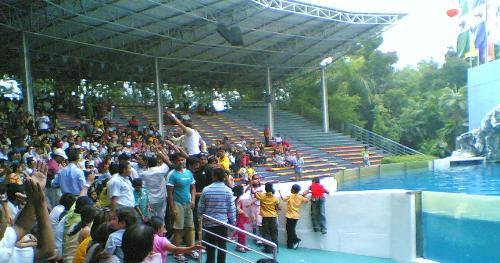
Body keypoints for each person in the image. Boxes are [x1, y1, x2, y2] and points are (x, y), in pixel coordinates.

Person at [198, 168, 236, 263]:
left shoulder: (206, 190)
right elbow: (231, 208)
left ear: (213, 176)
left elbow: (200, 207)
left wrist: (200, 218)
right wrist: (232, 222)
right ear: (224, 177)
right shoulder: (228, 191)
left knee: (210, 247)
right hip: (222, 223)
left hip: (208, 223)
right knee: (222, 246)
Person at [167, 153, 198, 261]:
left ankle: (191, 250)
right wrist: (173, 208)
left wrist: (193, 200)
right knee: (179, 230)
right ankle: (177, 253)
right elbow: (169, 193)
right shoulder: (172, 175)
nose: (181, 162)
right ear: (174, 162)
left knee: (190, 228)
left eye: (182, 160)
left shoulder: (189, 173)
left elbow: (193, 188)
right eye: (179, 160)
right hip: (177, 204)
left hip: (188, 204)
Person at [279, 184, 308, 249]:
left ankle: (295, 240)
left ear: (293, 190)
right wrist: (302, 195)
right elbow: (306, 200)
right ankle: (290, 244)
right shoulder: (300, 197)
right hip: (296, 216)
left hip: (289, 215)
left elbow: (283, 199)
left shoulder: (290, 196)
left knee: (289, 230)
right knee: (291, 230)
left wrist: (280, 193)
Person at [255, 182, 279, 254]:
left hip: (265, 218)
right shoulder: (275, 198)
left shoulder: (262, 196)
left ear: (265, 189)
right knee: (274, 234)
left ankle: (268, 249)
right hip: (273, 217)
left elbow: (255, 194)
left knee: (266, 233)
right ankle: (275, 249)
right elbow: (277, 207)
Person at [233, 185, 249, 253]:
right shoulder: (239, 199)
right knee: (241, 232)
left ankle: (242, 245)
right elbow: (238, 208)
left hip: (238, 217)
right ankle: (240, 246)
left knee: (241, 232)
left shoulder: (237, 199)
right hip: (239, 218)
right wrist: (244, 214)